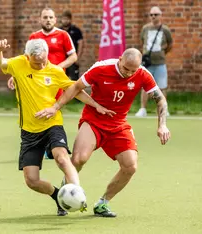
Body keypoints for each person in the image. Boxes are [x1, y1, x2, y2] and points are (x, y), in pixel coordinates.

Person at [36, 48, 171, 217]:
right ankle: (65, 195)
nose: (128, 73)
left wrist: (162, 125)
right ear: (120, 59)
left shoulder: (143, 74)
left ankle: (102, 203)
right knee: (78, 159)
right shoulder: (101, 68)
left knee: (130, 166)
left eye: (133, 70)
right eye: (125, 68)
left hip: (118, 124)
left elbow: (160, 99)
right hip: (94, 120)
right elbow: (76, 87)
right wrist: (55, 107)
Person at [0, 38, 114, 216]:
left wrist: (95, 105)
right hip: (29, 131)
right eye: (36, 62)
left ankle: (77, 193)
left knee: (62, 158)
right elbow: (0, 62)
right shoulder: (19, 64)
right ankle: (58, 197)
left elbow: (75, 90)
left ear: (47, 56)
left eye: (43, 61)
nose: (41, 65)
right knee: (32, 180)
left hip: (52, 124)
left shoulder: (55, 71)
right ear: (27, 57)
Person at [8, 7, 77, 91]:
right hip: (38, 78)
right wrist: (15, 75)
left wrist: (59, 67)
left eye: (51, 17)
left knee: (55, 103)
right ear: (40, 20)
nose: (48, 20)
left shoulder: (63, 35)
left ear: (55, 20)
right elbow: (26, 58)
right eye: (45, 17)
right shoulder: (34, 36)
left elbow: (73, 56)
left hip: (56, 77)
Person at [135, 6, 173, 117]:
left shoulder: (165, 29)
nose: (153, 17)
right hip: (148, 63)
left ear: (160, 16)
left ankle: (163, 109)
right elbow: (142, 41)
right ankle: (142, 109)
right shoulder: (145, 28)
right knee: (145, 86)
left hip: (160, 62)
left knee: (162, 86)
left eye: (155, 14)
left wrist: (163, 53)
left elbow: (170, 44)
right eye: (151, 14)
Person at [60, 10, 84, 81]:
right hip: (62, 59)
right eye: (64, 19)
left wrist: (77, 57)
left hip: (72, 58)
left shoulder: (76, 31)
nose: (65, 21)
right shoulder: (59, 31)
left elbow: (81, 44)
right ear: (61, 19)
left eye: (67, 19)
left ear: (70, 19)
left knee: (73, 80)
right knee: (61, 79)